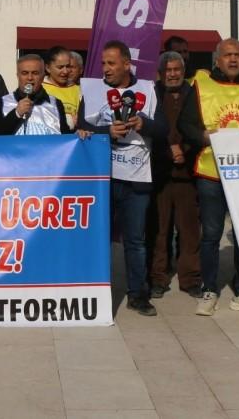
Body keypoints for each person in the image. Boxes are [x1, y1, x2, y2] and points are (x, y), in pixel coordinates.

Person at [178, 38, 239, 316]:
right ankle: (209, 288)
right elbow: (184, 123)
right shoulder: (201, 85)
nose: (233, 60)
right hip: (211, 171)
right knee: (210, 234)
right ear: (217, 60)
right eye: (227, 55)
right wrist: (201, 136)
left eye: (238, 55)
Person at [78, 40, 160, 316]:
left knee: (135, 240)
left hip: (137, 175)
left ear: (127, 64)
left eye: (111, 63)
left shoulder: (147, 89)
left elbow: (164, 128)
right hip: (102, 176)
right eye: (103, 63)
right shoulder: (91, 90)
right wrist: (105, 132)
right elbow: (81, 127)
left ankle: (138, 293)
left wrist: (144, 123)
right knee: (97, 237)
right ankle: (93, 291)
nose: (106, 68)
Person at [148, 51, 202, 299]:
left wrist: (185, 151)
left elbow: (199, 128)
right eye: (168, 70)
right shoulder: (151, 93)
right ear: (160, 73)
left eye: (176, 69)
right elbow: (148, 128)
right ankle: (158, 276)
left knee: (189, 230)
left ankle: (190, 278)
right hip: (158, 170)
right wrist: (170, 151)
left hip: (188, 172)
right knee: (159, 229)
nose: (172, 74)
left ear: (183, 71)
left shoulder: (195, 94)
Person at [0, 54, 71, 134]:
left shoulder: (55, 104)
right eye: (25, 73)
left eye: (35, 73)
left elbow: (65, 137)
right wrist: (16, 114)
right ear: (18, 76)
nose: (30, 78)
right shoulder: (3, 102)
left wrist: (76, 135)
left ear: (43, 76)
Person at [42, 46, 81, 130]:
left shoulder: (78, 90)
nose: (65, 71)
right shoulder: (40, 88)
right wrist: (69, 120)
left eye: (68, 66)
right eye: (60, 67)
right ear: (48, 68)